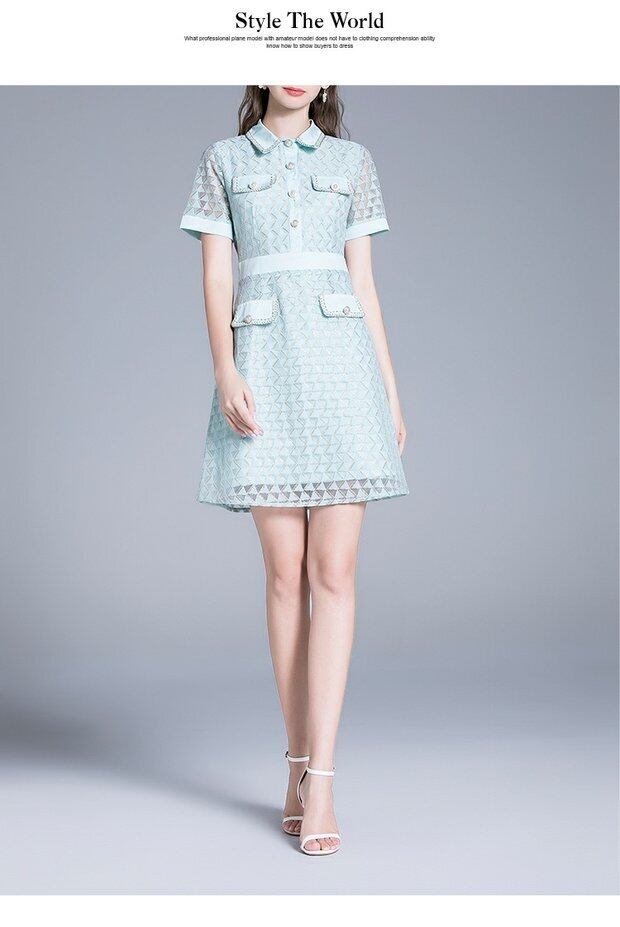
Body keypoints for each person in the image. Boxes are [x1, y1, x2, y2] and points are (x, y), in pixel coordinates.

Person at [180, 85, 408, 856]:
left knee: (334, 572)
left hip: (345, 376)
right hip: (265, 370)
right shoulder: (221, 160)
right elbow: (217, 277)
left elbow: (364, 283)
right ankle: (297, 762)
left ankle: (326, 779)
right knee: (285, 576)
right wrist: (224, 368)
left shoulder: (353, 162)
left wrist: (389, 391)